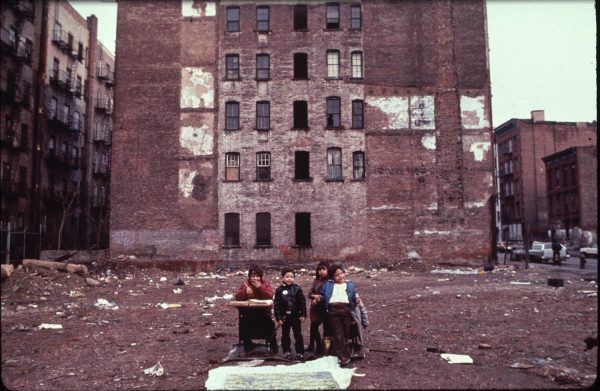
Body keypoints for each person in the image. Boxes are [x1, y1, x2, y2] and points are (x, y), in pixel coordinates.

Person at [318, 264, 358, 366]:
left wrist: (356, 301)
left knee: (346, 333)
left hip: (346, 311)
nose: (340, 276)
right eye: (337, 275)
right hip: (333, 312)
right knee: (338, 333)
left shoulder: (349, 284)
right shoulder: (328, 285)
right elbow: (323, 296)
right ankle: (341, 356)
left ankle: (346, 353)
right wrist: (318, 298)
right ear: (332, 277)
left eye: (341, 273)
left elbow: (353, 296)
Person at [234, 265, 277, 354]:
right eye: (253, 276)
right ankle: (249, 347)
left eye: (257, 276)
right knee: (243, 323)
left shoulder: (265, 284)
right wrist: (245, 293)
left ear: (261, 277)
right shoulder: (245, 285)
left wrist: (259, 287)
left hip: (263, 312)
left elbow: (270, 296)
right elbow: (237, 297)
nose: (255, 278)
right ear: (249, 277)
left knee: (270, 324)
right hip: (249, 312)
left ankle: (273, 345)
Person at [273, 267, 307, 360]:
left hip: (296, 316)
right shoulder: (279, 290)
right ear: (283, 278)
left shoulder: (297, 289)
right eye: (287, 276)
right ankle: (287, 351)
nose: (289, 279)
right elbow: (276, 305)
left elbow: (302, 302)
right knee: (285, 334)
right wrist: (278, 318)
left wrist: (303, 314)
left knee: (298, 334)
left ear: (294, 278)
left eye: (291, 277)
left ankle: (300, 352)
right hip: (285, 317)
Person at [307, 261, 329, 355]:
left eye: (323, 269)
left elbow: (327, 295)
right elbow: (310, 293)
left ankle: (322, 348)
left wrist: (318, 298)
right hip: (315, 308)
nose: (321, 271)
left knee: (326, 329)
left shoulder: (329, 282)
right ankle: (313, 345)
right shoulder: (316, 281)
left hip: (324, 308)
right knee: (313, 328)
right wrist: (314, 296)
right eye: (319, 269)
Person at [350, 293, 369, 359]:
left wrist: (365, 322)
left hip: (354, 321)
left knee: (356, 335)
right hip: (347, 322)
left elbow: (362, 309)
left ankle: (358, 350)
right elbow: (363, 310)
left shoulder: (354, 296)